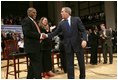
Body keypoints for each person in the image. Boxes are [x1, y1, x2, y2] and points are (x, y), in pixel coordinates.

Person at [42, 7, 87, 79]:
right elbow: (55, 33)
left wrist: (84, 39)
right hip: (68, 46)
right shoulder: (61, 23)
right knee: (69, 65)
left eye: (62, 11)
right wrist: (47, 35)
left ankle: (82, 77)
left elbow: (83, 30)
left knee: (81, 63)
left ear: (67, 12)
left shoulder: (76, 19)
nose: (61, 13)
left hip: (78, 45)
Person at [21, 7, 42, 79]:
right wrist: (40, 35)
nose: (35, 14)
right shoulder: (26, 20)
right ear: (29, 13)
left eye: (35, 12)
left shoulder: (33, 21)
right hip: (31, 47)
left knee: (33, 65)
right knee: (37, 64)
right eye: (34, 12)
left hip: (35, 46)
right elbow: (27, 33)